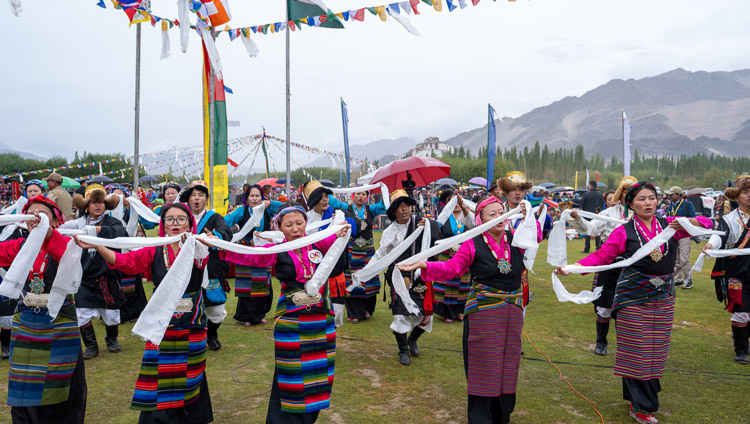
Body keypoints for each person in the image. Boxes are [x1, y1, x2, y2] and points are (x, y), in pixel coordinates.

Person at [556, 182, 712, 424]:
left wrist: (689, 223)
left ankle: (640, 396)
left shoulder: (669, 226)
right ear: (630, 204)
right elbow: (603, 255)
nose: (648, 203)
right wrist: (574, 268)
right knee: (636, 349)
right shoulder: (623, 232)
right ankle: (641, 406)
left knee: (657, 348)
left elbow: (708, 223)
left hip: (663, 296)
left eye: (652, 198)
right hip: (632, 297)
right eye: (641, 199)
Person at [398, 196, 536, 424]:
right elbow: (452, 267)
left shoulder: (516, 239)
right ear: (480, 219)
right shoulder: (473, 242)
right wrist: (425, 264)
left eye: (502, 212)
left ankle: (502, 416)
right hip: (485, 312)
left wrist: (526, 210)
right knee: (485, 366)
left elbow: (535, 234)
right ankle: (481, 418)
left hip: (512, 313)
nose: (499, 217)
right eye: (492, 214)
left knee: (509, 365)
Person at [74, 202, 213, 424]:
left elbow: (202, 258)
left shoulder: (199, 246)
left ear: (190, 222)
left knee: (191, 369)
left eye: (181, 219)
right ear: (163, 224)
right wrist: (98, 247)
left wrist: (199, 242)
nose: (175, 224)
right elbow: (125, 263)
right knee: (160, 370)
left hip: (192, 320)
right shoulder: (155, 249)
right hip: (161, 322)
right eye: (170, 219)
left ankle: (191, 417)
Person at [212, 206, 351, 423]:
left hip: (322, 318)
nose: (295, 229)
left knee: (319, 369)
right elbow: (251, 256)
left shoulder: (317, 243)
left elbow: (336, 239)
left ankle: (310, 416)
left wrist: (340, 229)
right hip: (292, 320)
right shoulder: (277, 250)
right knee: (291, 372)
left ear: (306, 223)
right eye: (289, 225)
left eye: (299, 223)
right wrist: (219, 245)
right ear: (279, 227)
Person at [1, 196, 87, 423]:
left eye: (42, 213)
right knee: (24, 378)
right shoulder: (20, 246)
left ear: (56, 220)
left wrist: (47, 233)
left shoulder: (68, 245)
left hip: (59, 318)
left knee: (62, 375)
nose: (35, 217)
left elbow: (69, 262)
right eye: (31, 213)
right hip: (27, 318)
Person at [567, 177, 636, 356]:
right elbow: (589, 229)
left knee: (632, 307)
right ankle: (601, 342)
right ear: (620, 195)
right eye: (626, 193)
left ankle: (629, 347)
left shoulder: (642, 215)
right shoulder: (608, 214)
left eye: (633, 193)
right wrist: (577, 218)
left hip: (635, 265)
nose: (629, 197)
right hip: (610, 263)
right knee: (605, 306)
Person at [372, 189, 440, 366]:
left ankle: (412, 340)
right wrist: (366, 271)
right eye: (400, 206)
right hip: (400, 278)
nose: (404, 209)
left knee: (426, 315)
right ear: (394, 211)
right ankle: (403, 350)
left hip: (419, 276)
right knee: (401, 315)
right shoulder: (389, 232)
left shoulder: (420, 222)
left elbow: (437, 234)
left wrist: (429, 225)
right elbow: (381, 254)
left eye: (407, 206)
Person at [60, 184, 127, 359]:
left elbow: (121, 234)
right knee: (82, 314)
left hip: (107, 276)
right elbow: (60, 230)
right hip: (83, 276)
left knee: (112, 314)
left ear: (106, 205)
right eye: (93, 202)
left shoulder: (113, 222)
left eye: (102, 203)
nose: (98, 206)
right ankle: (91, 346)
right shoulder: (77, 224)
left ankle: (112, 340)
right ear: (86, 205)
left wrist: (98, 230)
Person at [181, 181, 232, 351]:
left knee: (216, 309)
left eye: (201, 195)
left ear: (206, 199)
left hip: (211, 269)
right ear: (188, 199)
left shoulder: (214, 217)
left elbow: (226, 233)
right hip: (186, 268)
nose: (197, 199)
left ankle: (212, 333)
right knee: (187, 305)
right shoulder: (182, 216)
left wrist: (214, 237)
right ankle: (192, 336)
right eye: (193, 195)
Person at [705, 175, 750, 363]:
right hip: (737, 271)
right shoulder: (729, 219)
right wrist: (710, 245)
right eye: (746, 192)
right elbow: (719, 236)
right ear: (737, 196)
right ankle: (741, 350)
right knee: (741, 310)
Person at [301, 181, 359, 328]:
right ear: (313, 200)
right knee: (316, 308)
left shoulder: (337, 213)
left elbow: (356, 228)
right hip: (314, 269)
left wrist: (343, 221)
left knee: (337, 310)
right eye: (321, 196)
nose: (326, 199)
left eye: (327, 196)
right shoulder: (304, 219)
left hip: (335, 269)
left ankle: (332, 331)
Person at [223, 184, 281, 326]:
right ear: (247, 198)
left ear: (262, 197)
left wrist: (270, 203)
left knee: (263, 283)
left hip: (263, 252)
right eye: (252, 196)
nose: (255, 199)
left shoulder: (268, 210)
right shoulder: (241, 211)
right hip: (247, 251)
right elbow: (225, 222)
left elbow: (284, 208)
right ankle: (245, 316)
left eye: (257, 196)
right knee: (246, 284)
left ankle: (260, 314)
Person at [337, 189, 386, 323]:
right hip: (351, 248)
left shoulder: (371, 209)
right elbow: (333, 203)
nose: (360, 196)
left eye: (363, 194)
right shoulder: (346, 208)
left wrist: (385, 190)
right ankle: (354, 313)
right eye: (358, 194)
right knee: (351, 279)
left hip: (367, 249)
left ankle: (367, 309)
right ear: (353, 196)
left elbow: (383, 205)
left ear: (367, 197)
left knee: (369, 279)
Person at [433, 190, 474, 323]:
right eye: (451, 201)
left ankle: (459, 311)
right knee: (446, 283)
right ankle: (447, 313)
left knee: (462, 284)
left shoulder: (468, 216)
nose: (455, 204)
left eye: (458, 201)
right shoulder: (443, 217)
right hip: (446, 255)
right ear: (447, 203)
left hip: (464, 255)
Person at [664, 186, 696, 289]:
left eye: (672, 194)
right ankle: (678, 279)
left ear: (678, 195)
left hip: (684, 234)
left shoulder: (687, 204)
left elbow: (693, 218)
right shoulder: (671, 206)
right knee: (676, 259)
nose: (670, 196)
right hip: (673, 234)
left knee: (684, 258)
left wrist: (682, 222)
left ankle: (688, 280)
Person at [579, 181, 605, 253]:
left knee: (588, 230)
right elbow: (602, 204)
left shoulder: (586, 194)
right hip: (597, 215)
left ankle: (587, 248)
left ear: (590, 186)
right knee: (597, 231)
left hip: (588, 215)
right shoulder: (600, 194)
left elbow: (582, 205)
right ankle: (598, 248)